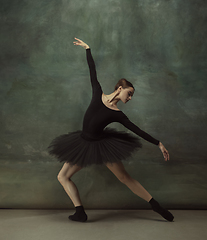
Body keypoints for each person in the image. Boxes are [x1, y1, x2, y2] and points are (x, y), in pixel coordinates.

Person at [48, 37, 174, 223]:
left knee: (124, 177)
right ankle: (80, 212)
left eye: (131, 96)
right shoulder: (97, 91)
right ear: (120, 88)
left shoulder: (117, 114)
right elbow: (92, 71)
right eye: (129, 94)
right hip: (83, 143)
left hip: (101, 145)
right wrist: (88, 49)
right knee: (63, 176)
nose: (130, 98)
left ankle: (156, 206)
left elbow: (137, 130)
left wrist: (159, 143)